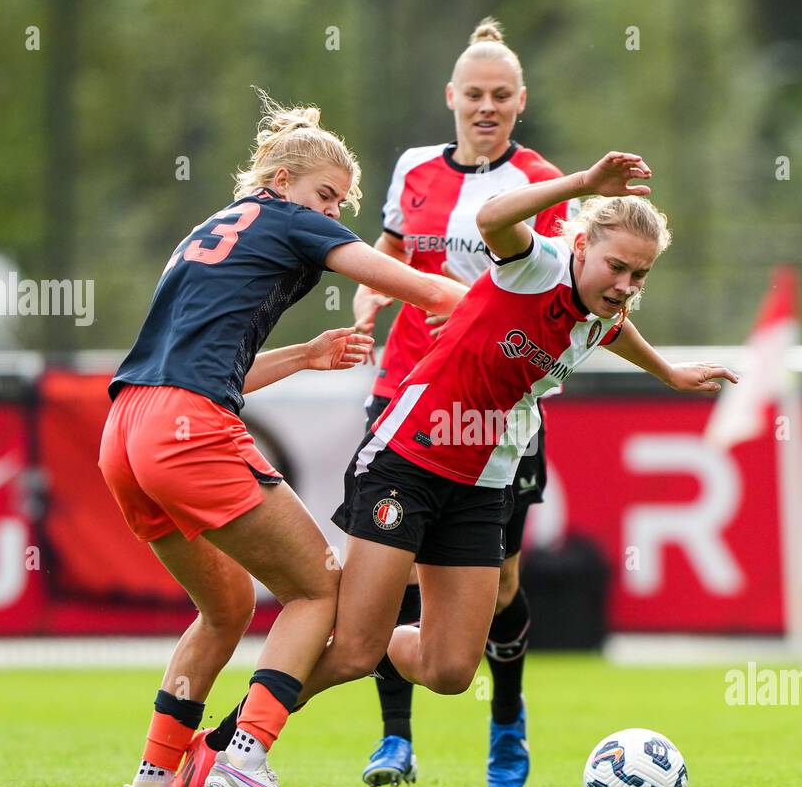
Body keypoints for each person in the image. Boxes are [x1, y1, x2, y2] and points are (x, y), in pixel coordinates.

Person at [101, 91, 466, 787]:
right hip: (187, 428)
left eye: (340, 203)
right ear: (279, 184)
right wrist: (505, 303)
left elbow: (206, 362)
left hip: (125, 431)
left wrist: (306, 353)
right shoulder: (289, 220)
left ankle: (150, 781)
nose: (331, 214)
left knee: (227, 606)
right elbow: (416, 286)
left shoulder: (208, 230)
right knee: (316, 589)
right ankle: (246, 755)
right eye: (325, 196)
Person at [287, 151, 738, 731]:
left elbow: (614, 329)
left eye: (640, 275)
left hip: (482, 480)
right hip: (412, 454)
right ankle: (237, 737)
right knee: (352, 647)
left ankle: (369, 646)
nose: (626, 285)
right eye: (617, 267)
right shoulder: (539, 264)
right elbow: (492, 218)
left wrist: (668, 373)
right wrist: (582, 184)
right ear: (580, 247)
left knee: (449, 671)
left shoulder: (602, 307)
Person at [351, 16, 571, 787]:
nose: (486, 106)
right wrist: (368, 299)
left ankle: (506, 714)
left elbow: (550, 288)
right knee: (393, 570)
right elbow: (390, 253)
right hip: (404, 391)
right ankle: (394, 739)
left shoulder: (540, 182)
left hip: (494, 412)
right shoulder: (413, 168)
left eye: (500, 95)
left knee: (500, 583)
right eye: (473, 94)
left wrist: (477, 311)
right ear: (451, 97)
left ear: (521, 101)